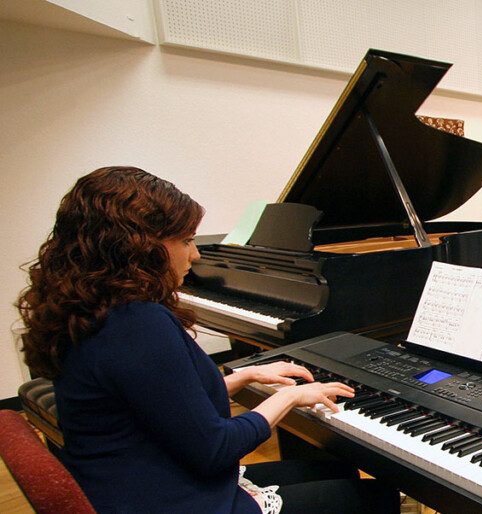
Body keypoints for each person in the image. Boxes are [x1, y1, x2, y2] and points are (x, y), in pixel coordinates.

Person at [17, 167, 399, 514]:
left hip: (129, 484)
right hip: (170, 499)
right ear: (138, 248)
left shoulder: (89, 307)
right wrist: (289, 396)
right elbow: (216, 449)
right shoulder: (136, 323)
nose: (195, 254)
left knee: (339, 469)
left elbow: (159, 400)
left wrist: (243, 377)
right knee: (373, 497)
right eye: (185, 240)